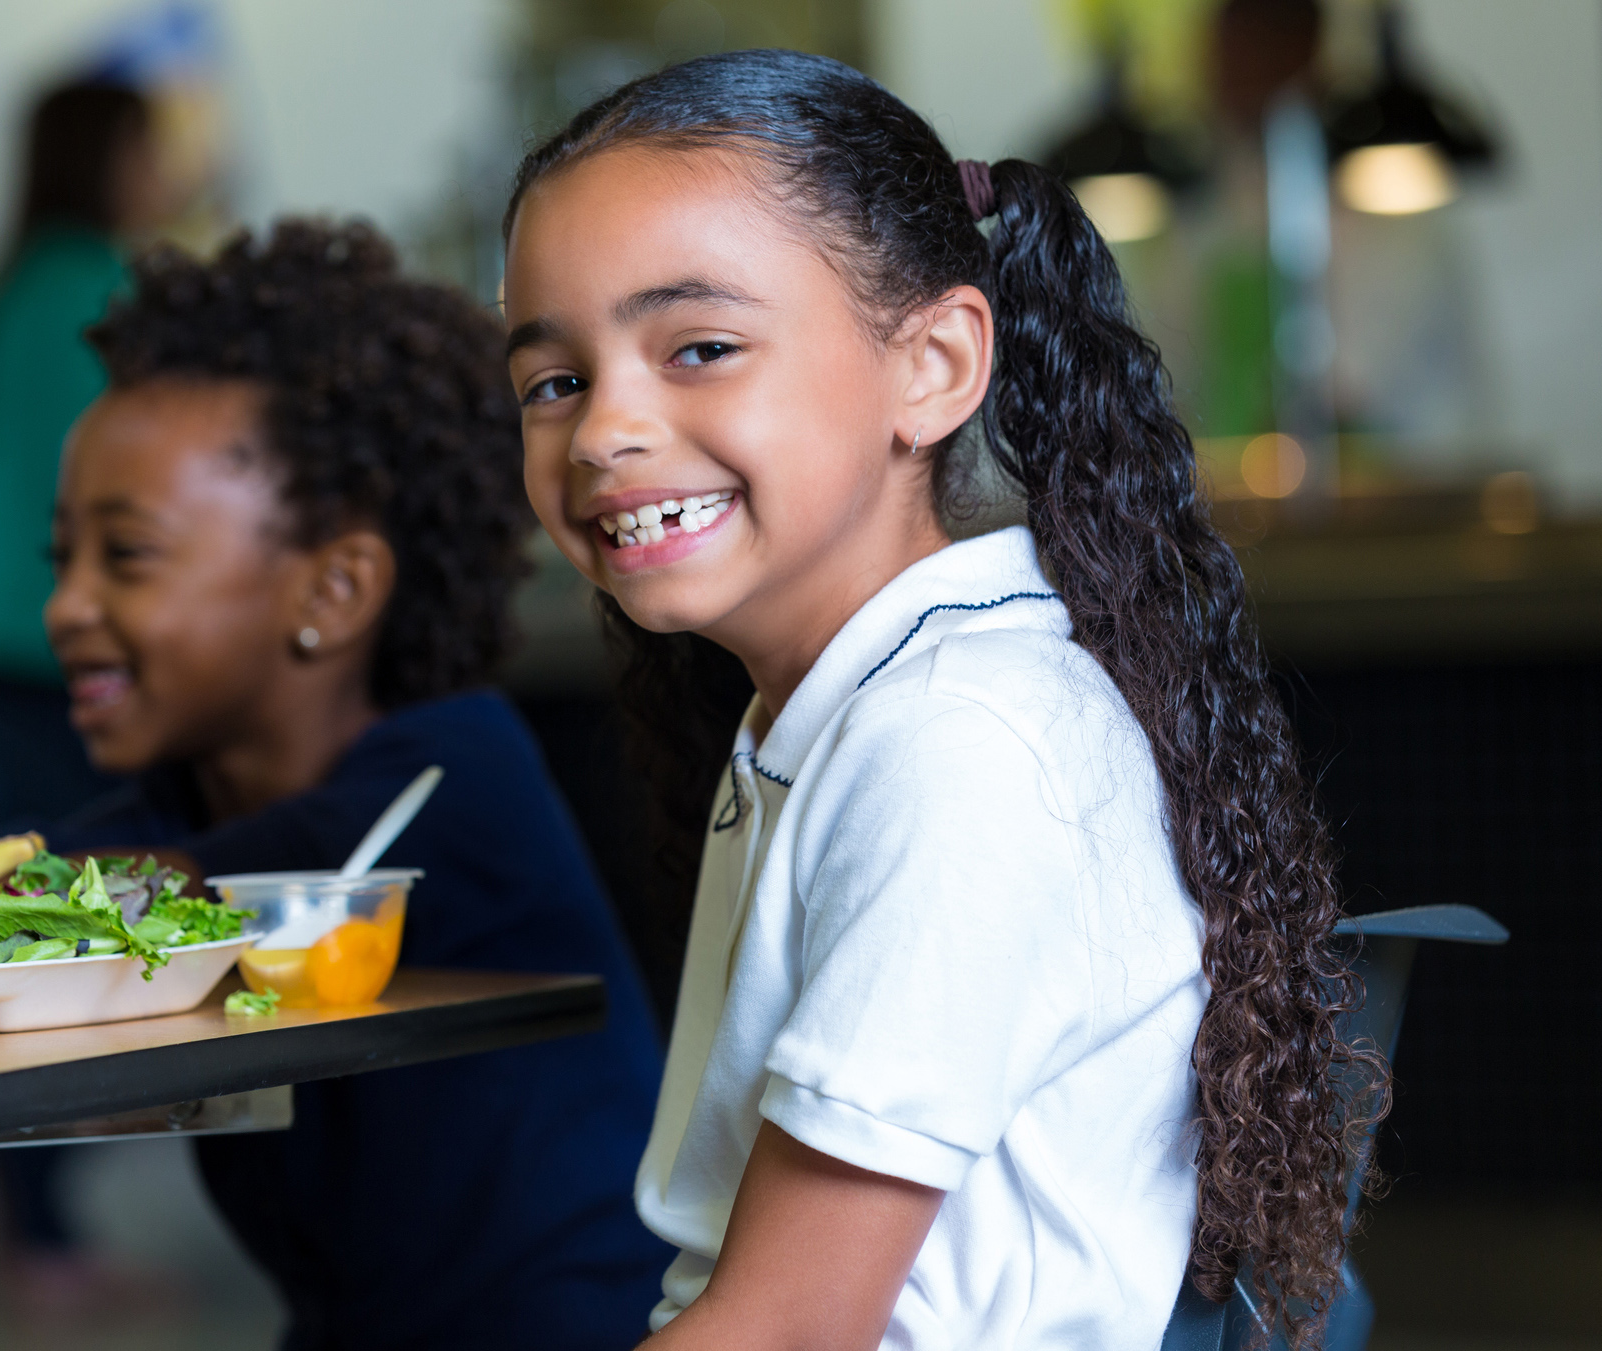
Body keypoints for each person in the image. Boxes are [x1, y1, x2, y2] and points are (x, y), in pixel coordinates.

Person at [0, 219, 673, 1350]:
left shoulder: (452, 771)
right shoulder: (189, 798)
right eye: (61, 559)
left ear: (336, 589)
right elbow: (15, 851)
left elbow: (86, 887)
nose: (66, 606)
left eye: (129, 556)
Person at [498, 50, 1382, 1350]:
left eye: (698, 347)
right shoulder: (854, 707)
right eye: (553, 381)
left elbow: (788, 1327)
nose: (600, 431)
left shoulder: (955, 745)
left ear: (932, 365)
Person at [0, 77, 177, 835]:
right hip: (73, 650)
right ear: (112, 160)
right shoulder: (123, 295)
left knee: (1, 891)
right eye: (152, 151)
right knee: (99, 894)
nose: (166, 173)